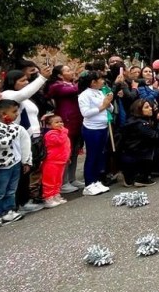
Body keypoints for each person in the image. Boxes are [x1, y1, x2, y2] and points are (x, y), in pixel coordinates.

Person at [1, 66, 50, 212]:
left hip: (32, 137)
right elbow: (22, 95)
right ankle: (16, 203)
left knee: (28, 169)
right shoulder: (8, 94)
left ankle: (24, 200)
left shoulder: (25, 97)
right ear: (12, 81)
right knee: (21, 171)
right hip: (16, 139)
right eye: (22, 80)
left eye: (27, 80)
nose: (26, 83)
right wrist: (42, 78)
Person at [0, 99, 31, 228]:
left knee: (11, 190)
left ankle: (8, 211)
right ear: (3, 113)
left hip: (15, 162)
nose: (16, 114)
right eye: (14, 112)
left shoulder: (16, 127)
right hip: (1, 165)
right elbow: (2, 143)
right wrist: (10, 130)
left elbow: (24, 144)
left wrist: (26, 161)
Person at [45, 65, 84, 193]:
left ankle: (72, 178)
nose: (71, 71)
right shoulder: (57, 86)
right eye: (67, 70)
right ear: (60, 75)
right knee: (66, 151)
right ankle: (63, 181)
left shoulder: (71, 84)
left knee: (75, 151)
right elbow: (72, 91)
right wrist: (81, 81)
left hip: (77, 119)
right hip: (66, 120)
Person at [77, 71, 113, 197]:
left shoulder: (99, 92)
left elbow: (111, 108)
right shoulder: (84, 95)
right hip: (92, 129)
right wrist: (103, 105)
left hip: (103, 127)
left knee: (100, 154)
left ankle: (96, 180)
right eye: (101, 79)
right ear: (93, 82)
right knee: (92, 156)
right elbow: (85, 113)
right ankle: (88, 184)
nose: (103, 81)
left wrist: (109, 102)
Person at [119, 99, 159, 187]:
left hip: (131, 155)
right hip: (139, 155)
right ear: (139, 110)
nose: (150, 109)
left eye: (150, 106)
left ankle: (132, 175)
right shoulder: (141, 124)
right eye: (146, 107)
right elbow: (156, 138)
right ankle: (142, 177)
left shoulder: (134, 121)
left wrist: (156, 120)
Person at [40, 114, 70, 208]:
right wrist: (64, 131)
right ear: (49, 125)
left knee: (58, 180)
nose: (60, 124)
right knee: (49, 180)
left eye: (61, 121)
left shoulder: (61, 133)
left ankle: (56, 195)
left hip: (61, 160)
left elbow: (66, 146)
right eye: (56, 122)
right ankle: (48, 197)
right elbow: (59, 141)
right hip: (52, 161)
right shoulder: (50, 134)